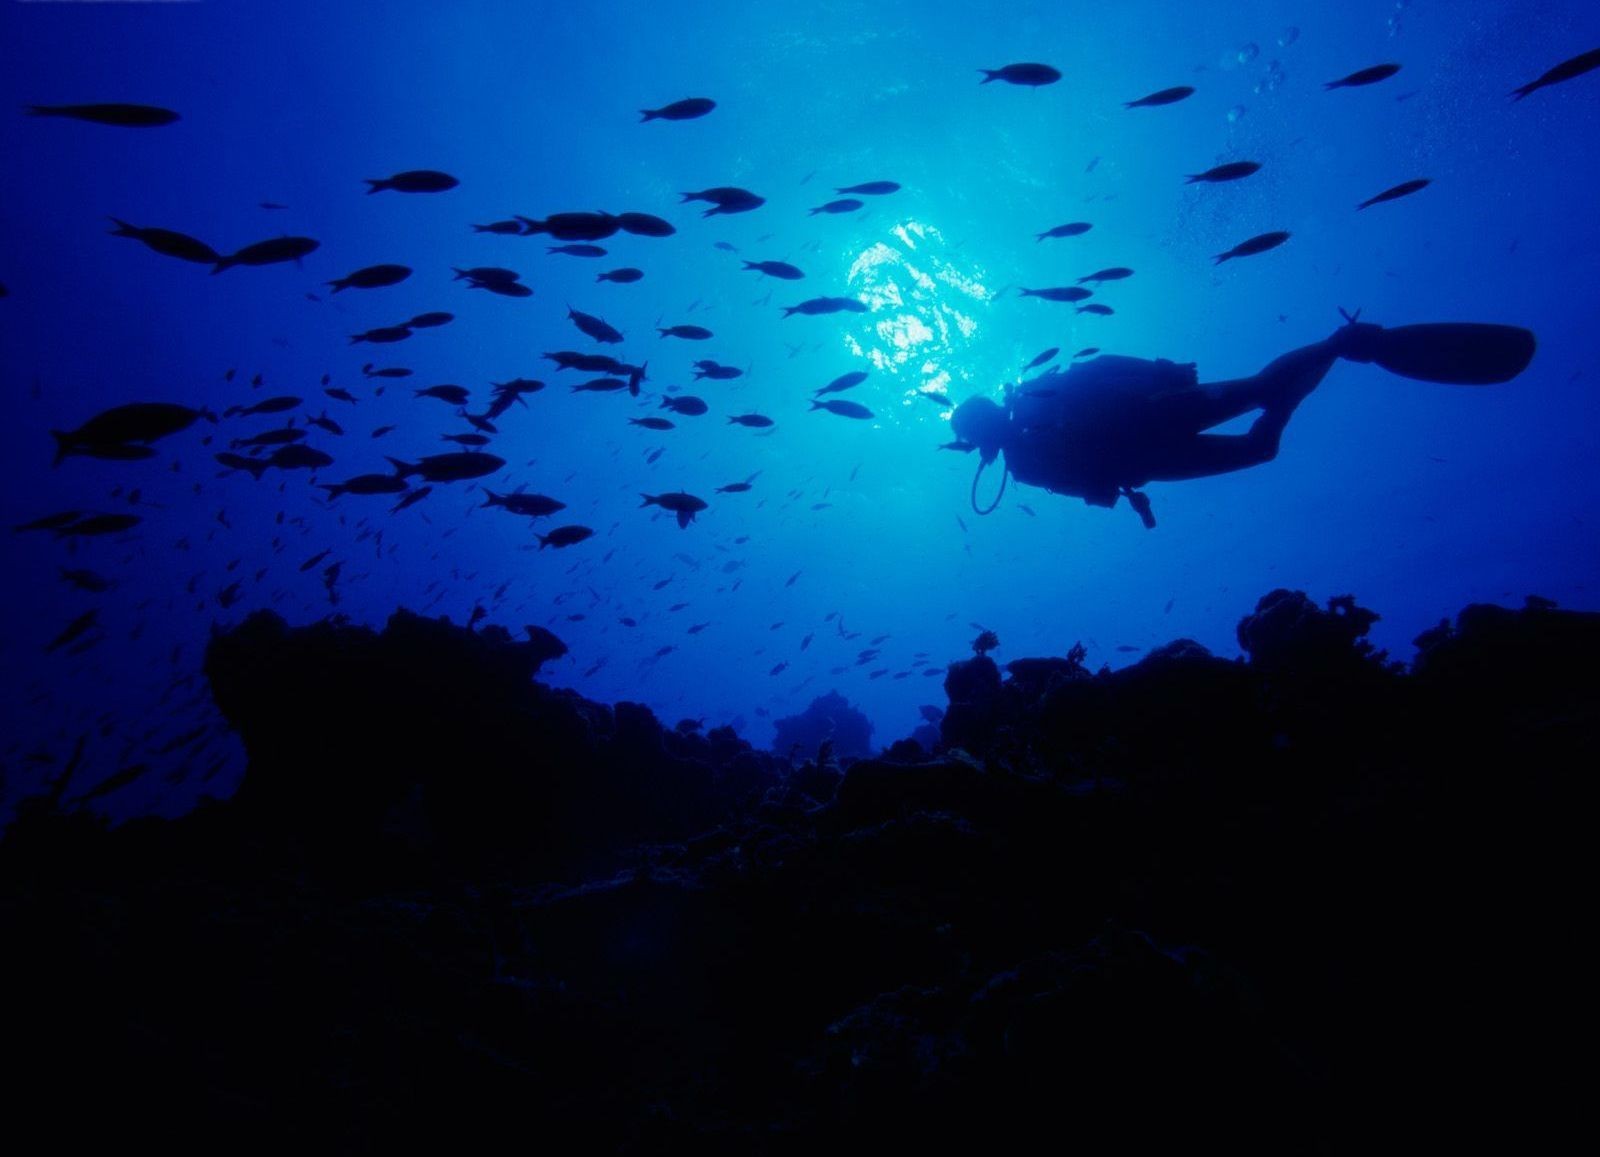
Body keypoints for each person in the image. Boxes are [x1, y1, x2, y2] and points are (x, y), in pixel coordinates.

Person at [950, 312, 1535, 527]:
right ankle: (1334, 351)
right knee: (1262, 429)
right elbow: (1097, 377)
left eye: (973, 438)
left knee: (1260, 401)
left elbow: (1093, 376)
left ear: (978, 432)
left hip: (1154, 428)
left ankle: (1342, 345)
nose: (979, 446)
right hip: (1153, 445)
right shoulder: (1024, 453)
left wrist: (1159, 373)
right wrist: (1160, 372)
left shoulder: (1030, 412)